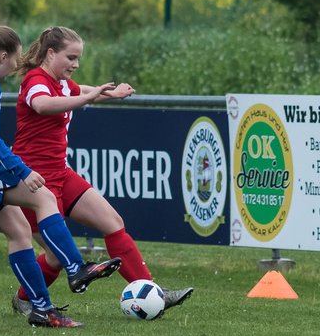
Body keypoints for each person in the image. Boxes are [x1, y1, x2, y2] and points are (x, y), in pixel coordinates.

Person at [0, 14, 122, 329]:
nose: (14, 68)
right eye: (13, 62)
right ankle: (76, 269)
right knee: (42, 198)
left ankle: (42, 310)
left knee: (18, 230)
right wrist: (22, 171)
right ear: (2, 56)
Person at [10, 25, 194, 318]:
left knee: (112, 221)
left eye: (79, 58)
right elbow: (43, 105)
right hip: (33, 182)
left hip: (61, 173)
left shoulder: (60, 83)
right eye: (71, 57)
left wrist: (111, 94)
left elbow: (82, 91)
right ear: (51, 53)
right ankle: (25, 298)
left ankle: (150, 291)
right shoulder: (36, 80)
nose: (76, 64)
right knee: (57, 257)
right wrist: (87, 98)